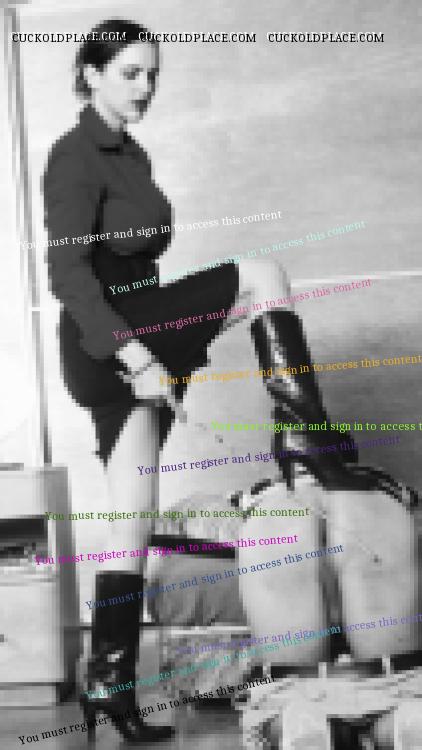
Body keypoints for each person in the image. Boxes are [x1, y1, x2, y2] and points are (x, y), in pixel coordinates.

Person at [43, 17, 378, 744]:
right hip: (110, 338)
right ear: (91, 73)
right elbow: (67, 275)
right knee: (261, 274)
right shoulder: (75, 155)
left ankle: (108, 686)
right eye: (130, 72)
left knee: (130, 521)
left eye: (153, 74)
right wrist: (138, 357)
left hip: (130, 333)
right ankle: (305, 438)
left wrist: (152, 353)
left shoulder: (130, 152)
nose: (146, 86)